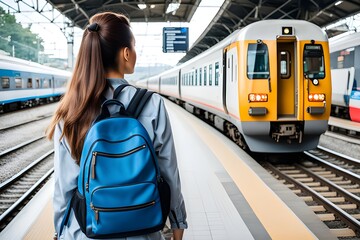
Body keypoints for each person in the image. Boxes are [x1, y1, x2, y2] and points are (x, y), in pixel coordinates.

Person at [47, 12, 187, 240]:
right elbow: (169, 173)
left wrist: (60, 230)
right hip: (142, 229)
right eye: (134, 46)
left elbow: (64, 186)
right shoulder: (152, 104)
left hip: (86, 231)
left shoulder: (71, 109)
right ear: (125, 53)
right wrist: (178, 222)